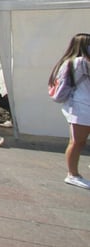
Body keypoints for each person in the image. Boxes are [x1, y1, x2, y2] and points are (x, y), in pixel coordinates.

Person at [49, 33, 90, 189]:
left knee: (79, 141)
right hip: (81, 107)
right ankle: (72, 174)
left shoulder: (73, 62)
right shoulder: (79, 62)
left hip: (82, 106)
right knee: (77, 142)